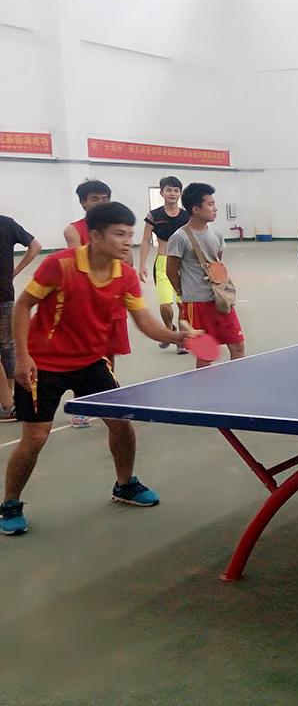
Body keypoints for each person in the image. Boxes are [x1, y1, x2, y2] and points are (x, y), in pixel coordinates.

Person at [0, 202, 196, 536]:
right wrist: (23, 357)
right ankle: (10, 504)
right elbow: (23, 306)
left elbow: (145, 322)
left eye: (130, 234)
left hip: (91, 361)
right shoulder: (59, 265)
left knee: (121, 424)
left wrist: (178, 335)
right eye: (119, 234)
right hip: (44, 364)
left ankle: (125, 485)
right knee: (36, 438)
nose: (127, 241)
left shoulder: (126, 276)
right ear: (94, 235)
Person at [65, 179, 130, 428]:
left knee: (109, 352)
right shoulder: (74, 230)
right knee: (85, 356)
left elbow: (127, 262)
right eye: (95, 199)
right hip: (85, 303)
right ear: (83, 203)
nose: (101, 203)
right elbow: (79, 264)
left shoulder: (118, 229)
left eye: (104, 199)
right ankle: (81, 405)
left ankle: (108, 395)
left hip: (113, 300)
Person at [166, 183, 245, 368]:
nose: (215, 208)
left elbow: (217, 263)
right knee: (205, 353)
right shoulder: (179, 237)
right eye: (210, 204)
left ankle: (240, 380)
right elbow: (171, 270)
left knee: (238, 345)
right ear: (196, 209)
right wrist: (182, 292)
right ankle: (204, 385)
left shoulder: (216, 233)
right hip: (197, 303)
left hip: (220, 300)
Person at [138, 176, 189, 354]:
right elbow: (145, 241)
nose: (172, 193)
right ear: (161, 193)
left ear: (180, 193)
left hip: (184, 263)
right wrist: (142, 265)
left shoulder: (186, 216)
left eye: (176, 190)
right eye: (169, 190)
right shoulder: (153, 215)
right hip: (163, 262)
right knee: (165, 305)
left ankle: (181, 339)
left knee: (183, 304)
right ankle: (169, 330)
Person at [0, 215, 41, 420]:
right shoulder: (7, 223)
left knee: (7, 348)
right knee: (7, 347)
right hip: (5, 293)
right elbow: (35, 246)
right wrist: (14, 272)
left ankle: (7, 404)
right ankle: (8, 399)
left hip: (5, 295)